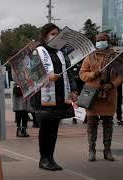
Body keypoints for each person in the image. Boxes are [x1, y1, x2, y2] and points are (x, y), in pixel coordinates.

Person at [33, 23, 78, 171]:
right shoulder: (37, 51)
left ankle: (50, 157)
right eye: (53, 34)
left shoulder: (61, 52)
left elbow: (69, 72)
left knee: (54, 128)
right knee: (46, 128)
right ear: (45, 35)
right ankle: (43, 159)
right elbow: (31, 74)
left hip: (60, 94)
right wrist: (47, 77)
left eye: (57, 34)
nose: (56, 36)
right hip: (44, 96)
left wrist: (74, 90)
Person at [79, 32, 123, 162]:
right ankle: (91, 150)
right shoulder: (90, 57)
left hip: (109, 96)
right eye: (98, 40)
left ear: (108, 41)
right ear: (95, 42)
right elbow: (82, 74)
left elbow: (121, 75)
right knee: (91, 124)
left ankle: (107, 150)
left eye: (103, 40)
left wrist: (112, 84)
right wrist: (93, 75)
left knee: (108, 124)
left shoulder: (116, 57)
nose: (101, 42)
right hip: (92, 96)